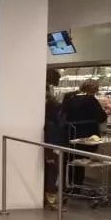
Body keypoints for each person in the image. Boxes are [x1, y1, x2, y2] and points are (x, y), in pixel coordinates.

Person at [62, 79, 108, 186]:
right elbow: (102, 117)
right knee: (80, 162)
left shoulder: (71, 98)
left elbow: (63, 115)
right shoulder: (92, 101)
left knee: (71, 162)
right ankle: (77, 186)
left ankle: (69, 186)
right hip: (87, 138)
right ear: (95, 89)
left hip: (70, 135)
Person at [44, 68, 66, 210]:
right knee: (53, 170)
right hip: (52, 139)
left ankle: (47, 197)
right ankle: (50, 199)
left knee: (48, 169)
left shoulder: (43, 97)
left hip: (46, 137)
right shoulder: (53, 103)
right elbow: (60, 120)